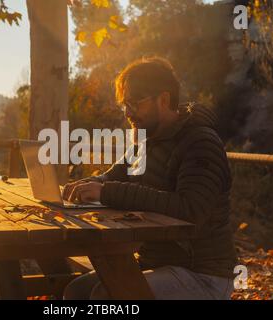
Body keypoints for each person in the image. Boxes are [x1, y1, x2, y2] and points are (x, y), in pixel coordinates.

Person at [62, 57, 237, 300]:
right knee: (76, 292)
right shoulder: (145, 140)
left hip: (203, 275)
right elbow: (113, 176)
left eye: (135, 103)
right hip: (155, 264)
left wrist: (107, 191)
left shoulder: (201, 143)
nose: (128, 113)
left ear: (163, 100)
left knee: (107, 295)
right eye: (125, 104)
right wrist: (91, 185)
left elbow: (191, 209)